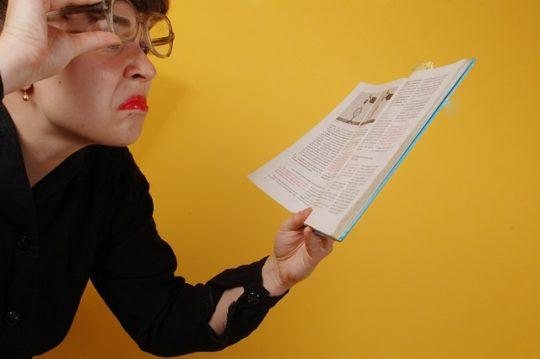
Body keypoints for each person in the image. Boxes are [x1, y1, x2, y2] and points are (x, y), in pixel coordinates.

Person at [0, 0, 334, 357]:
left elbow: (162, 319)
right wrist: (13, 58)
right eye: (113, 41)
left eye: (145, 48)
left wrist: (276, 275)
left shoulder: (108, 175)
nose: (146, 69)